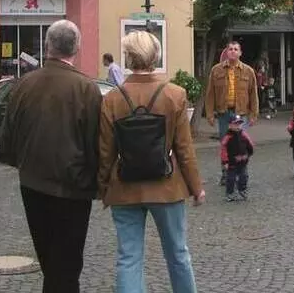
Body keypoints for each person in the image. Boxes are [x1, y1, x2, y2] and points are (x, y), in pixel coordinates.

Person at [97, 30, 204, 293]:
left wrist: (103, 188)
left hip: (124, 187)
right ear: (156, 56)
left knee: (129, 258)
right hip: (166, 187)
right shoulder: (174, 95)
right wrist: (196, 187)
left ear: (128, 57)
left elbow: (105, 150)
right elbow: (184, 149)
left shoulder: (112, 98)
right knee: (178, 254)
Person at [0, 20, 101, 293]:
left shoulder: (24, 84)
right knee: (67, 264)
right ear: (77, 48)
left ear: (47, 47)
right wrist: (99, 182)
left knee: (49, 260)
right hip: (73, 187)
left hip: (32, 183)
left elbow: (6, 139)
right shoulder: (86, 88)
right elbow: (95, 142)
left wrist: (21, 162)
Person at [205, 41, 259, 185]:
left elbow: (253, 94)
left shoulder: (248, 71)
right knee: (226, 144)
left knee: (240, 144)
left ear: (240, 53)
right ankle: (226, 173)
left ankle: (241, 171)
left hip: (241, 113)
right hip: (224, 113)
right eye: (230, 49)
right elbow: (210, 94)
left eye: (236, 49)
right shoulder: (216, 70)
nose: (233, 51)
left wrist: (254, 114)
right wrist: (209, 114)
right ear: (226, 52)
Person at [219, 113, 254, 201]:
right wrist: (225, 162)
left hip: (242, 161)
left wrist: (248, 154)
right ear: (230, 125)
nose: (237, 126)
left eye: (239, 124)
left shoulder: (243, 134)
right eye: (235, 124)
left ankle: (242, 190)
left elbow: (250, 144)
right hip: (231, 162)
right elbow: (223, 150)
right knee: (231, 178)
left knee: (244, 176)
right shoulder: (227, 137)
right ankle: (230, 193)